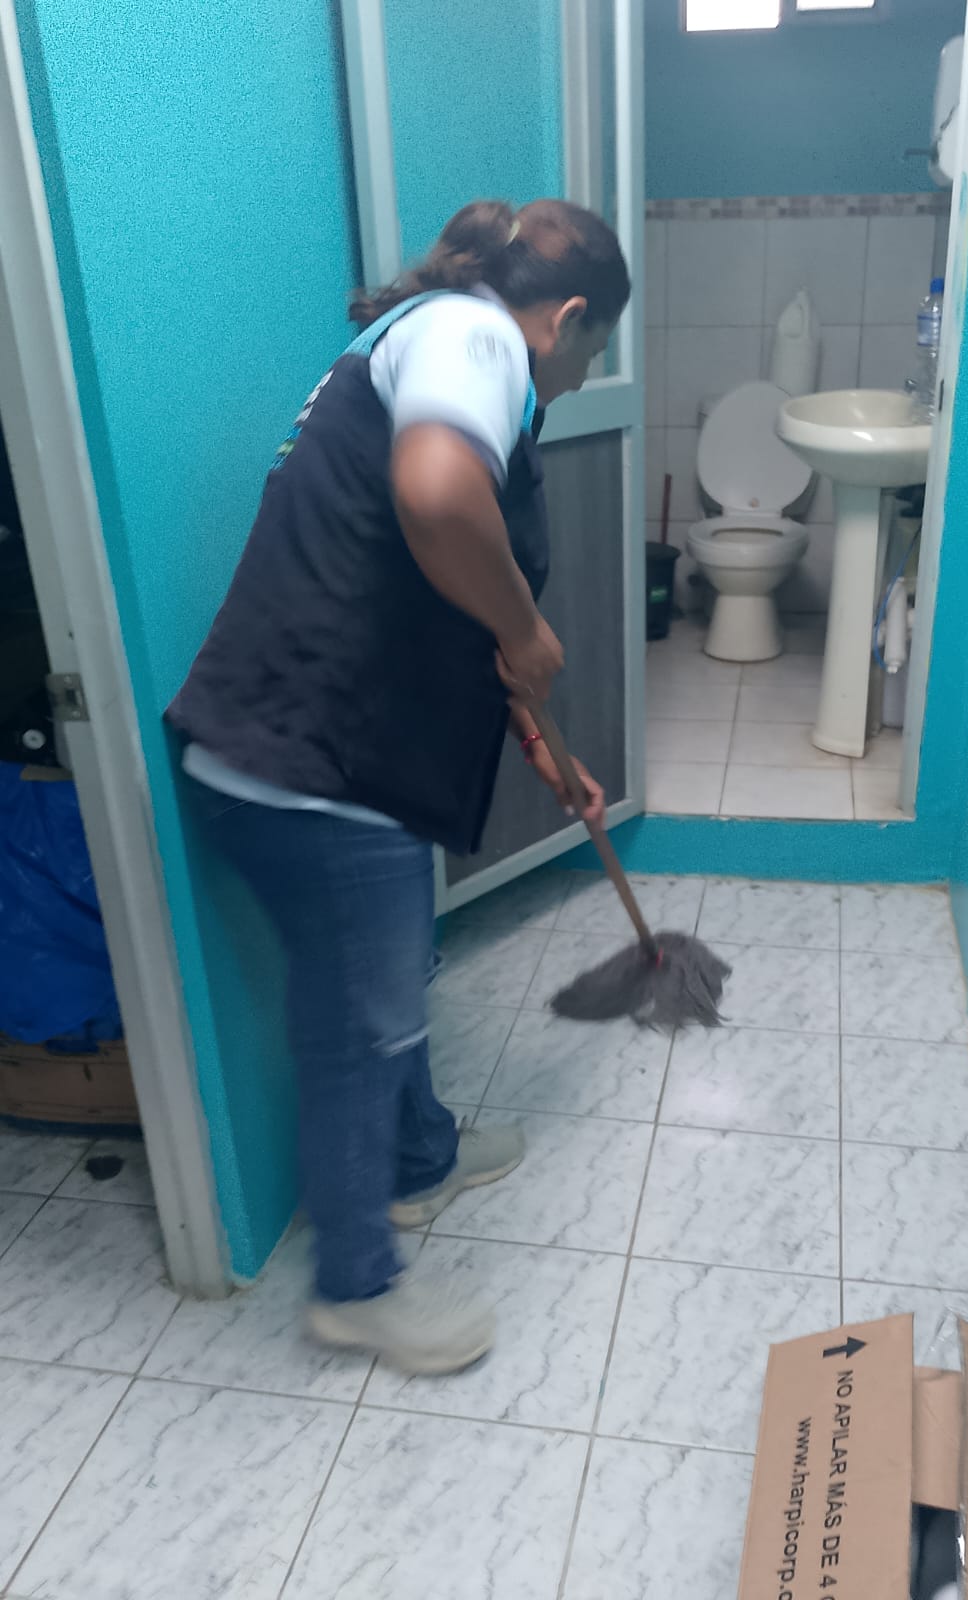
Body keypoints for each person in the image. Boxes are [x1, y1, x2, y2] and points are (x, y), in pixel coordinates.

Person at [167, 199, 631, 1373]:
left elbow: (428, 585)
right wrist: (526, 630)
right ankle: (356, 1287)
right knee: (362, 1025)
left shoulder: (428, 339)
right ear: (570, 317)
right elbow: (435, 497)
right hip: (309, 761)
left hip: (320, 746)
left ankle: (420, 1158)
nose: (583, 379)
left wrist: (543, 740)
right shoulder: (474, 337)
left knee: (388, 981)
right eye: (594, 353)